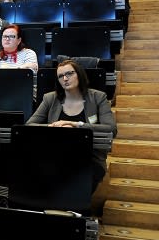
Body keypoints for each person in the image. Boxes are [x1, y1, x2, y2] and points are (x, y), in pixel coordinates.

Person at [27, 60, 117, 192]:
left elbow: (111, 128)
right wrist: (56, 128)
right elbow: (29, 125)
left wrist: (76, 125)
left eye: (69, 73)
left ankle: (74, 210)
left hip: (89, 158)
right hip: (53, 156)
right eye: (60, 76)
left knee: (77, 179)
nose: (65, 78)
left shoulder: (98, 97)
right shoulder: (50, 98)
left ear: (79, 74)